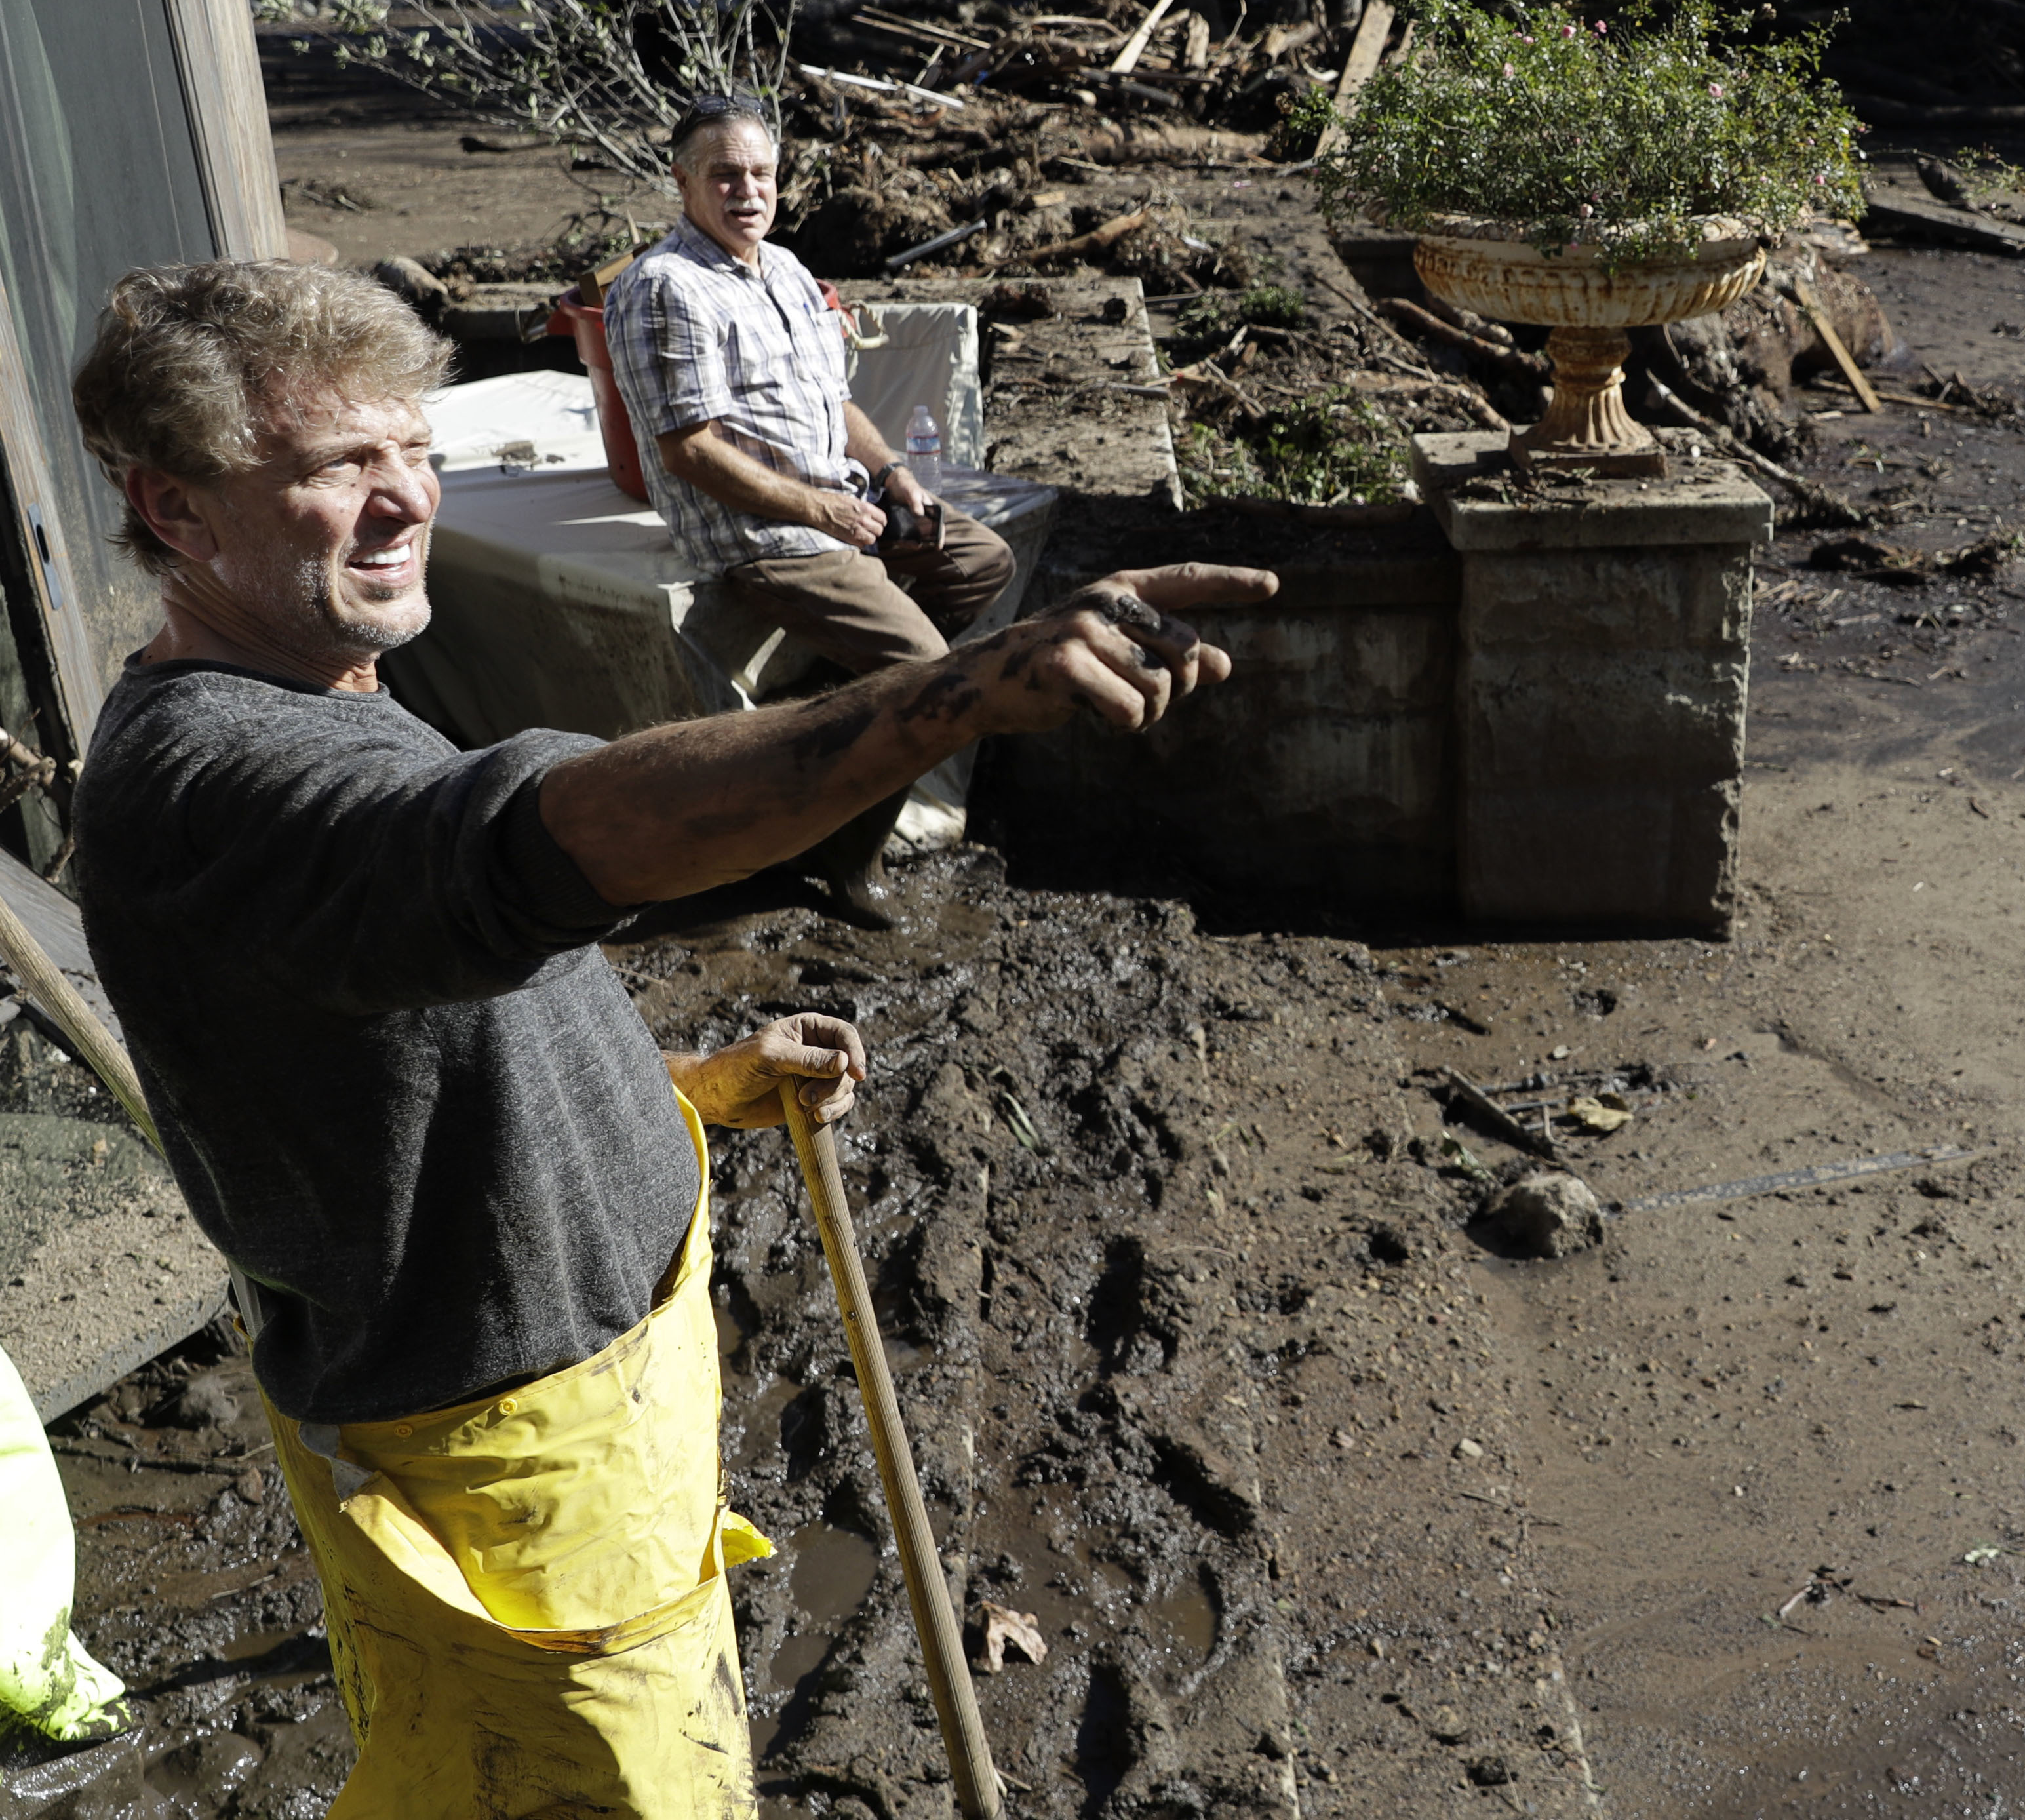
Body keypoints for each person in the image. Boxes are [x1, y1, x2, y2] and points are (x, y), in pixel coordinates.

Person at [67, 257, 1272, 1816]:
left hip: (588, 1410)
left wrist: (678, 1092)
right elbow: (539, 840)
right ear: (176, 515)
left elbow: (420, 1035)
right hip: (510, 1470)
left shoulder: (320, 680)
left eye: (415, 449)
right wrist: (939, 700)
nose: (403, 499)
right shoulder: (218, 780)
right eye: (334, 467)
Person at [606, 90, 1008, 928]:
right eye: (724, 176)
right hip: (764, 538)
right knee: (927, 672)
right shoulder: (663, 287)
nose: (746, 191)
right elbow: (690, 450)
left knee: (982, 561)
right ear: (682, 182)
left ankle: (844, 703)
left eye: (761, 174)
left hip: (838, 507)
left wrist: (892, 471)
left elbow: (837, 401)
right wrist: (821, 512)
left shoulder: (785, 269)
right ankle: (847, 856)